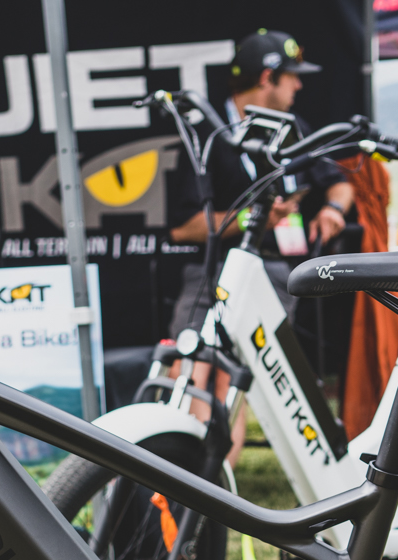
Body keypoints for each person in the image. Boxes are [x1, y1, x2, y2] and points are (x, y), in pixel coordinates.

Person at [163, 29, 354, 454]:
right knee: (192, 370)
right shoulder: (208, 133)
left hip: (274, 274)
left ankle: (215, 481)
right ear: (268, 77)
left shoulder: (293, 128)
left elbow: (341, 184)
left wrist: (332, 210)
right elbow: (183, 227)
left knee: (234, 381)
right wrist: (256, 216)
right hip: (213, 272)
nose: (299, 86)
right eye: (292, 76)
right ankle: (186, 476)